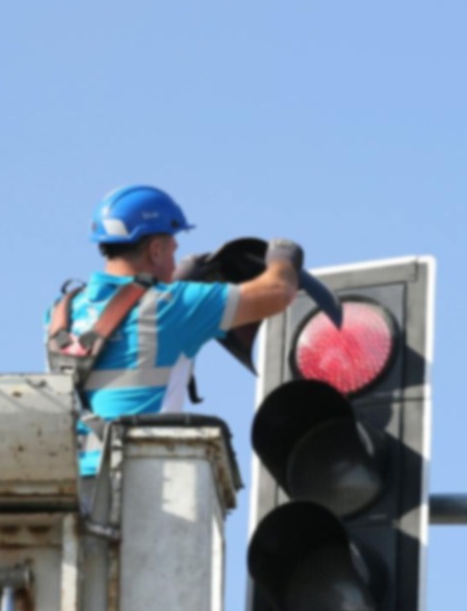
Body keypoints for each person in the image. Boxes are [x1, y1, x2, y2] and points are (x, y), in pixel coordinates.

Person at [47, 184, 302, 479]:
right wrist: (283, 256)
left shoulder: (60, 312)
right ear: (155, 250)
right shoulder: (173, 304)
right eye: (172, 251)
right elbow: (278, 291)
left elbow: (125, 332)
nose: (173, 264)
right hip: (135, 480)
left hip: (71, 481)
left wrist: (167, 285)